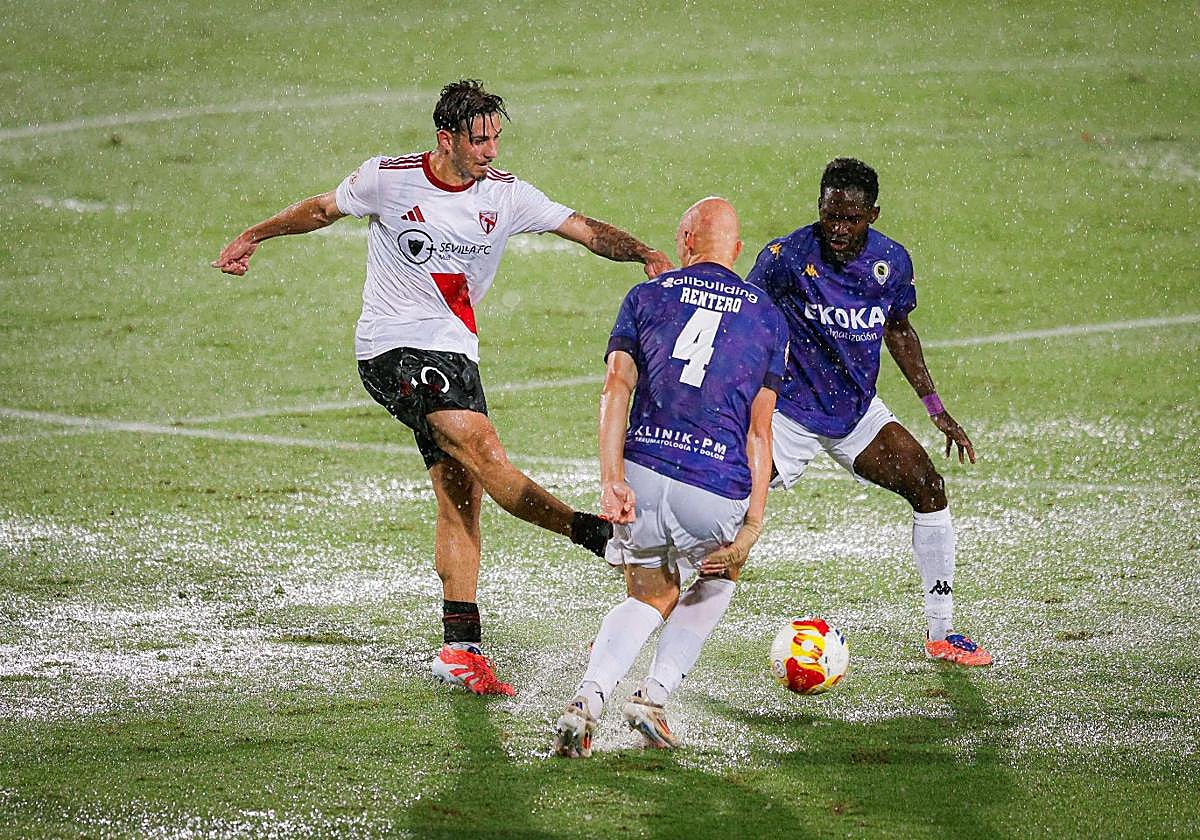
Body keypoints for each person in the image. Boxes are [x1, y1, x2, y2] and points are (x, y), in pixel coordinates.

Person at [212, 79, 673, 696]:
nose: (490, 151)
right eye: (479, 141)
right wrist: (254, 236)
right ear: (446, 139)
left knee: (462, 493)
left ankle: (460, 647)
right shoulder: (390, 179)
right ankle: (594, 535)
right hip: (391, 348)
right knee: (485, 455)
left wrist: (643, 252)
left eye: (496, 139)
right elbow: (321, 210)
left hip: (456, 353)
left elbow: (584, 230)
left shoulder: (507, 195)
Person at [553, 197, 788, 757]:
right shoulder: (766, 316)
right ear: (736, 251)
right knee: (720, 573)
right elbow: (760, 433)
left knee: (650, 592)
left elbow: (616, 388)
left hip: (644, 472)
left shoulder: (647, 295)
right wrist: (751, 527)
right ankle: (653, 697)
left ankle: (589, 699)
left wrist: (612, 478)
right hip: (716, 486)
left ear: (684, 242)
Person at [747, 157, 992, 666]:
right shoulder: (784, 257)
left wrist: (935, 408)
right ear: (819, 206)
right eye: (830, 215)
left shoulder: (891, 263)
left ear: (873, 215)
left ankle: (943, 633)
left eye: (851, 219)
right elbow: (747, 322)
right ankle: (648, 609)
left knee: (929, 486)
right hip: (789, 414)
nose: (837, 229)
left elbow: (898, 329)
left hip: (856, 412)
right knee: (724, 508)